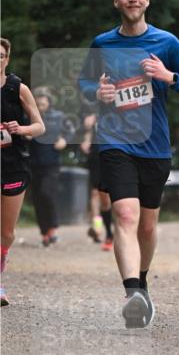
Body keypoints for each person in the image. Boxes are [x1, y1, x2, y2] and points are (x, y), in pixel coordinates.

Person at [79, 0, 179, 328]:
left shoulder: (166, 43)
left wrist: (168, 77)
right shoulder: (102, 43)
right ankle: (132, 292)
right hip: (115, 141)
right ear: (116, 1)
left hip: (155, 146)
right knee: (125, 217)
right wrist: (96, 93)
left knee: (147, 226)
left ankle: (143, 282)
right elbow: (85, 83)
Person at [0, 37, 45, 306]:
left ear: (7, 58)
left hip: (14, 164)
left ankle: (1, 262)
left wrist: (22, 129)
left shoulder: (18, 88)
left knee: (6, 232)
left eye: (1, 55)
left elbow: (40, 126)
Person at [29, 87, 70, 246]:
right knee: (38, 198)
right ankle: (44, 233)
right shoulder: (29, 117)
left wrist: (65, 140)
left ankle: (53, 228)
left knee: (47, 193)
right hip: (33, 163)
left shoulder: (58, 116)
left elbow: (71, 131)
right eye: (37, 104)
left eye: (43, 104)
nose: (40, 107)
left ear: (49, 103)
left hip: (52, 163)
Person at [80, 108, 114, 250]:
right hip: (97, 154)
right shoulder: (95, 109)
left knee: (113, 196)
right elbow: (89, 130)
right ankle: (99, 228)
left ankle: (121, 231)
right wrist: (86, 140)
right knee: (97, 194)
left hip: (118, 153)